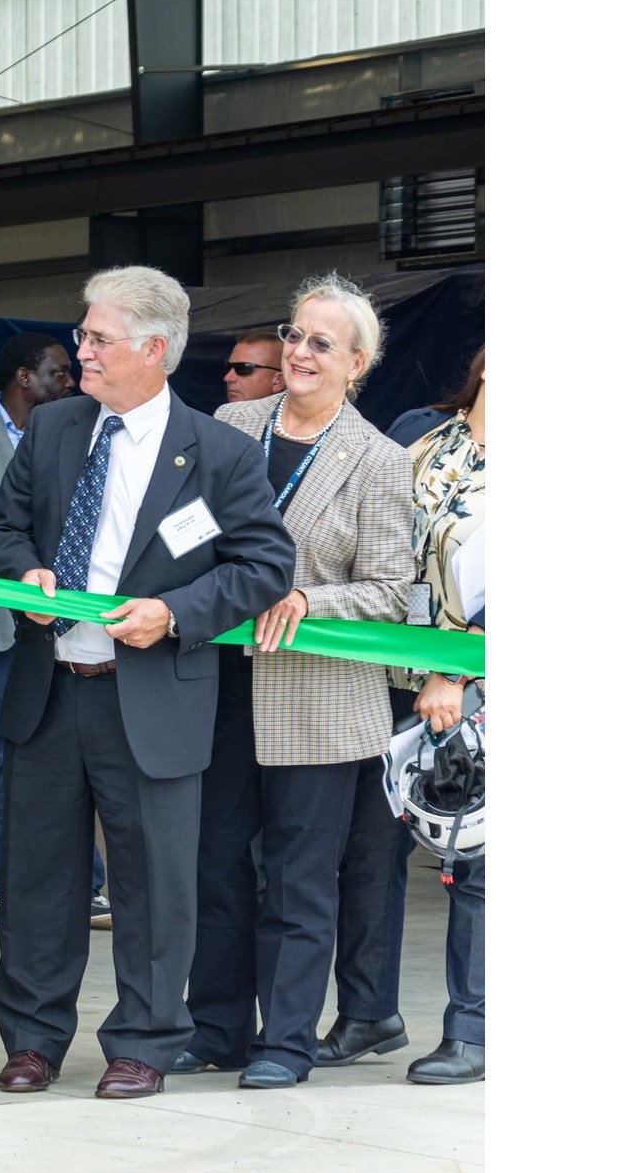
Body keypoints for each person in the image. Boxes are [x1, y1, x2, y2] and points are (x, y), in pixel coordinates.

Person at [0, 265, 294, 1101]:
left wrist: (175, 612)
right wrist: (26, 572)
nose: (79, 349)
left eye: (97, 338)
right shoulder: (52, 430)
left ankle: (145, 1042)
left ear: (153, 350)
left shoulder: (219, 452)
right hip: (50, 688)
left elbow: (265, 563)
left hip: (151, 691)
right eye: (83, 334)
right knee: (36, 879)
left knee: (155, 882)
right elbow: (1, 528)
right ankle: (34, 1039)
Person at [177, 276, 413, 1090]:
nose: (300, 352)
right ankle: (216, 1027)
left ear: (356, 363)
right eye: (295, 334)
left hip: (317, 698)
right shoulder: (231, 425)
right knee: (213, 864)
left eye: (322, 342)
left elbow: (390, 588)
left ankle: (284, 1040)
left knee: (299, 876)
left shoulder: (379, 460)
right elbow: (189, 532)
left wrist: (310, 595)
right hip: (221, 688)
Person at [0, 333, 108, 931]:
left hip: (64, 635)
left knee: (71, 759)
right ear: (24, 378)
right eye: (60, 372)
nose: (71, 382)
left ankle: (86, 887)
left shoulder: (86, 433)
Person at [391, 349, 485, 1086]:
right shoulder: (424, 435)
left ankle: (472, 1030)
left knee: (478, 859)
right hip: (399, 672)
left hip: (477, 680)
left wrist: (455, 669)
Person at [222, 331, 288, 404]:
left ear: (279, 381)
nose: (228, 378)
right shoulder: (223, 413)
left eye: (243, 368)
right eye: (229, 366)